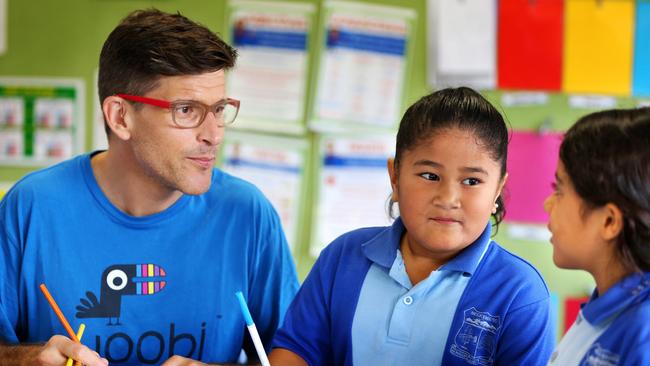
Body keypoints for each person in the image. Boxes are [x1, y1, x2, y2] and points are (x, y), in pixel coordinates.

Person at [0, 9, 298, 366]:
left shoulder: (248, 213)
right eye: (187, 110)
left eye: (219, 109)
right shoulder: (32, 205)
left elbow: (296, 357)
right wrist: (25, 360)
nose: (214, 134)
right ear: (120, 117)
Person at [269, 87, 555, 366]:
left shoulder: (519, 294)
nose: (448, 199)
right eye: (430, 175)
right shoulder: (343, 256)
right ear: (395, 177)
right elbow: (296, 350)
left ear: (497, 190)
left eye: (471, 181)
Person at [544, 107, 650, 365]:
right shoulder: (607, 303)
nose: (548, 204)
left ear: (609, 221)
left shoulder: (643, 336)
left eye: (559, 189)